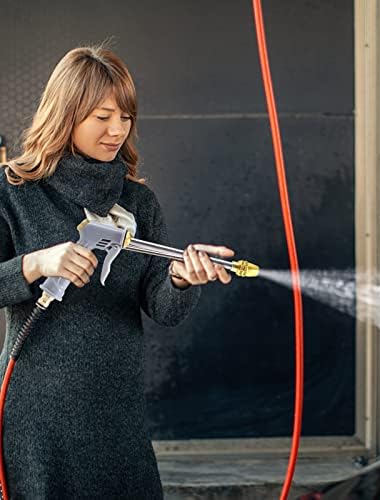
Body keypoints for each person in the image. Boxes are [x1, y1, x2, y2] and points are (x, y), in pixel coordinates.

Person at [0, 43, 234, 499]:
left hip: (116, 415)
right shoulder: (13, 193)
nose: (117, 130)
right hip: (37, 417)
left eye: (125, 117)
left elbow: (161, 306)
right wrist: (36, 263)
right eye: (102, 117)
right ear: (67, 114)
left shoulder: (137, 203)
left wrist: (182, 278)